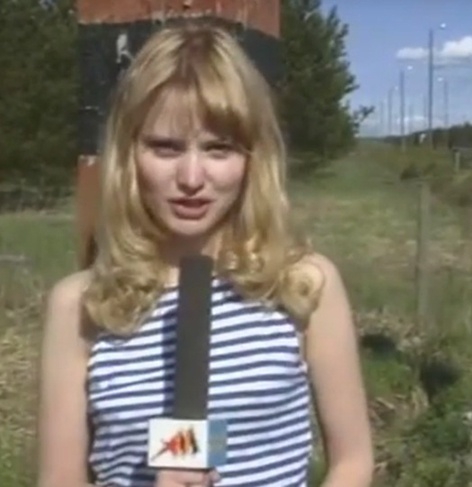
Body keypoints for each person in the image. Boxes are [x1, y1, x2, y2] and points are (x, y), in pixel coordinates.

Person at [36, 22, 373, 487]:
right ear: (129, 154)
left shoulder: (303, 284)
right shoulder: (82, 305)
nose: (192, 178)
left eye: (218, 149)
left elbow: (353, 463)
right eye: (165, 147)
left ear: (252, 158)